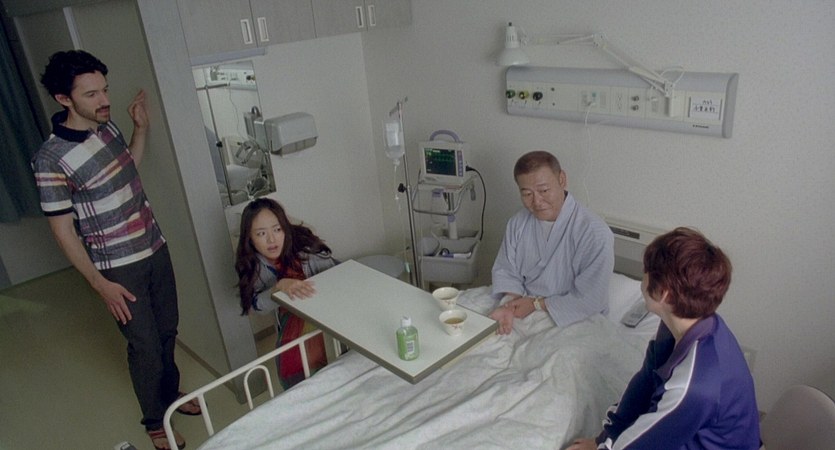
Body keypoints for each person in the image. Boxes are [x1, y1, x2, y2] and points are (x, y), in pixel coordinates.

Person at [31, 50, 198, 450]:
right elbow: (62, 231)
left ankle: (170, 397)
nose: (105, 100)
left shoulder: (107, 128)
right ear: (64, 99)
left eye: (104, 89)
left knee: (168, 331)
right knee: (145, 347)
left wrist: (140, 130)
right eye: (91, 94)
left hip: (154, 246)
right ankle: (155, 422)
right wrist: (100, 284)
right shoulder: (50, 159)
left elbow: (125, 172)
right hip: (118, 268)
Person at [567, 227, 760, 450]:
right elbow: (645, 382)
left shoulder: (695, 385)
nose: (643, 276)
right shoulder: (689, 322)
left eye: (646, 271)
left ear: (663, 294)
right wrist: (605, 438)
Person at [489, 150, 614, 334]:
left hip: (573, 316)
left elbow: (591, 299)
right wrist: (510, 304)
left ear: (562, 180)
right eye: (527, 194)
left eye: (544, 191)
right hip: (521, 304)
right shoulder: (518, 223)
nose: (537, 201)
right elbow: (506, 271)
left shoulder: (594, 232)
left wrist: (537, 304)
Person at [235, 197, 337, 389]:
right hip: (293, 321)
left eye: (277, 229)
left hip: (328, 310)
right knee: (295, 360)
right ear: (250, 238)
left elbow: (336, 281)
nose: (271, 240)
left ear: (285, 228)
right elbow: (253, 305)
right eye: (261, 233)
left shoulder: (307, 250)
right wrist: (277, 288)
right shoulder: (254, 264)